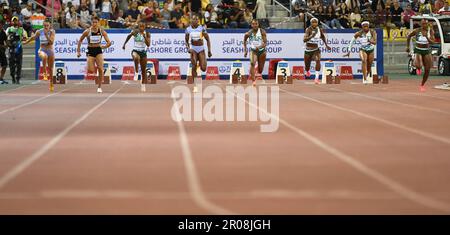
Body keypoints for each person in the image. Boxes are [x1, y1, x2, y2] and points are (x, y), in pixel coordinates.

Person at [77, 16, 112, 93]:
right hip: (90, 50)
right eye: (93, 22)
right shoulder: (87, 31)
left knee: (100, 68)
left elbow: (109, 42)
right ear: (91, 23)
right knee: (91, 70)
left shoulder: (102, 31)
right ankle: (92, 66)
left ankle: (99, 87)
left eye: (96, 22)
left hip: (98, 50)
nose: (95, 24)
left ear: (98, 23)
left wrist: (104, 46)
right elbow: (80, 41)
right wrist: (78, 52)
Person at [24, 19, 56, 91]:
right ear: (43, 25)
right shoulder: (39, 31)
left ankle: (51, 83)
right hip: (42, 49)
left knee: (51, 68)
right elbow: (33, 37)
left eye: (47, 25)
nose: (46, 27)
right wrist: (26, 42)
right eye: (44, 25)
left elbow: (51, 42)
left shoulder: (52, 32)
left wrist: (46, 35)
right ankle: (44, 72)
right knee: (44, 56)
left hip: (50, 50)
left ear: (49, 25)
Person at [185, 14, 212, 93]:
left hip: (201, 49)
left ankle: (200, 62)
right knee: (193, 66)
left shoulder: (202, 29)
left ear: (198, 21)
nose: (195, 21)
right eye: (193, 19)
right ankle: (195, 86)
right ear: (191, 20)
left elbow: (208, 39)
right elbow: (186, 41)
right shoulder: (188, 29)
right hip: (193, 49)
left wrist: (209, 51)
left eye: (196, 19)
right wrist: (188, 48)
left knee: (203, 68)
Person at [407, 18, 434, 92]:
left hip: (426, 50)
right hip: (418, 49)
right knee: (419, 65)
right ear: (420, 24)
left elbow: (432, 42)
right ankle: (416, 64)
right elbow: (409, 36)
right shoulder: (417, 31)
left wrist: (426, 37)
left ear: (427, 24)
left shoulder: (430, 31)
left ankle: (422, 84)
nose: (424, 25)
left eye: (425, 24)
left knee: (427, 69)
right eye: (423, 24)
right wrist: (407, 47)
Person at [122, 22, 151, 92]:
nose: (141, 28)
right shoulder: (135, 32)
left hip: (143, 52)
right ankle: (136, 72)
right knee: (136, 57)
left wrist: (144, 36)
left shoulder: (147, 34)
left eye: (142, 26)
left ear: (145, 27)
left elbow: (148, 44)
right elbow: (129, 36)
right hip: (135, 50)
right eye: (140, 26)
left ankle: (143, 85)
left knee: (144, 70)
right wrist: (124, 44)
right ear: (138, 27)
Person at [303, 18, 331, 84]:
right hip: (308, 50)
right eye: (313, 22)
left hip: (316, 49)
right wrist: (311, 36)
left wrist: (326, 45)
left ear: (317, 23)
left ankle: (316, 78)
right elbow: (304, 40)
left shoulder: (319, 30)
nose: (314, 23)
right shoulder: (308, 30)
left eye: (315, 22)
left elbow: (323, 37)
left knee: (318, 60)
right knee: (307, 66)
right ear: (311, 23)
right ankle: (307, 71)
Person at [243, 19, 267, 87]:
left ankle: (259, 73)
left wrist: (259, 47)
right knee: (252, 63)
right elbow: (244, 41)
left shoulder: (262, 32)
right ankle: (253, 81)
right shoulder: (248, 33)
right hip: (253, 51)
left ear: (258, 24)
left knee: (260, 69)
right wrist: (245, 50)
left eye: (256, 24)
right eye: (253, 24)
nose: (255, 25)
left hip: (262, 51)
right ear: (251, 25)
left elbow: (265, 43)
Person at [6, 16, 28, 84]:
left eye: (16, 20)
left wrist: (22, 39)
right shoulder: (9, 29)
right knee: (11, 64)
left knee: (19, 64)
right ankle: (13, 77)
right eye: (13, 20)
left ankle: (17, 78)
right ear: (12, 22)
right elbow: (5, 38)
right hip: (11, 48)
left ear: (18, 21)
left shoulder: (21, 29)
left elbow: (25, 38)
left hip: (19, 48)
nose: (15, 22)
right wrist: (9, 41)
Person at [0, 20, 7, 84]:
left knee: (4, 65)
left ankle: (1, 78)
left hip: (2, 51)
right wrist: (3, 46)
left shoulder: (3, 32)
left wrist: (8, 44)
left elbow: (6, 40)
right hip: (1, 49)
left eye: (2, 24)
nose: (1, 25)